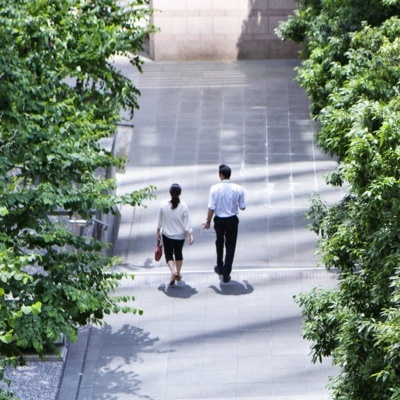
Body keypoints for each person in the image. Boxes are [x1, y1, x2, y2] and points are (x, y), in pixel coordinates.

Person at [203, 164, 246, 283]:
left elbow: (211, 207)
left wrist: (208, 221)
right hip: (232, 220)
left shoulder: (214, 188)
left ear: (220, 175)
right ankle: (227, 272)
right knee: (230, 247)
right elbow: (243, 207)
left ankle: (219, 266)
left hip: (219, 220)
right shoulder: (238, 188)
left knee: (219, 242)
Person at [157, 183, 194, 286]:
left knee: (168, 254)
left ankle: (173, 271)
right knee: (178, 253)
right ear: (180, 193)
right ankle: (178, 272)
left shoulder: (163, 204)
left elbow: (160, 220)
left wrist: (158, 231)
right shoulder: (184, 206)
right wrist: (190, 234)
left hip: (167, 234)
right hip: (180, 236)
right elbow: (187, 223)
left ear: (170, 192)